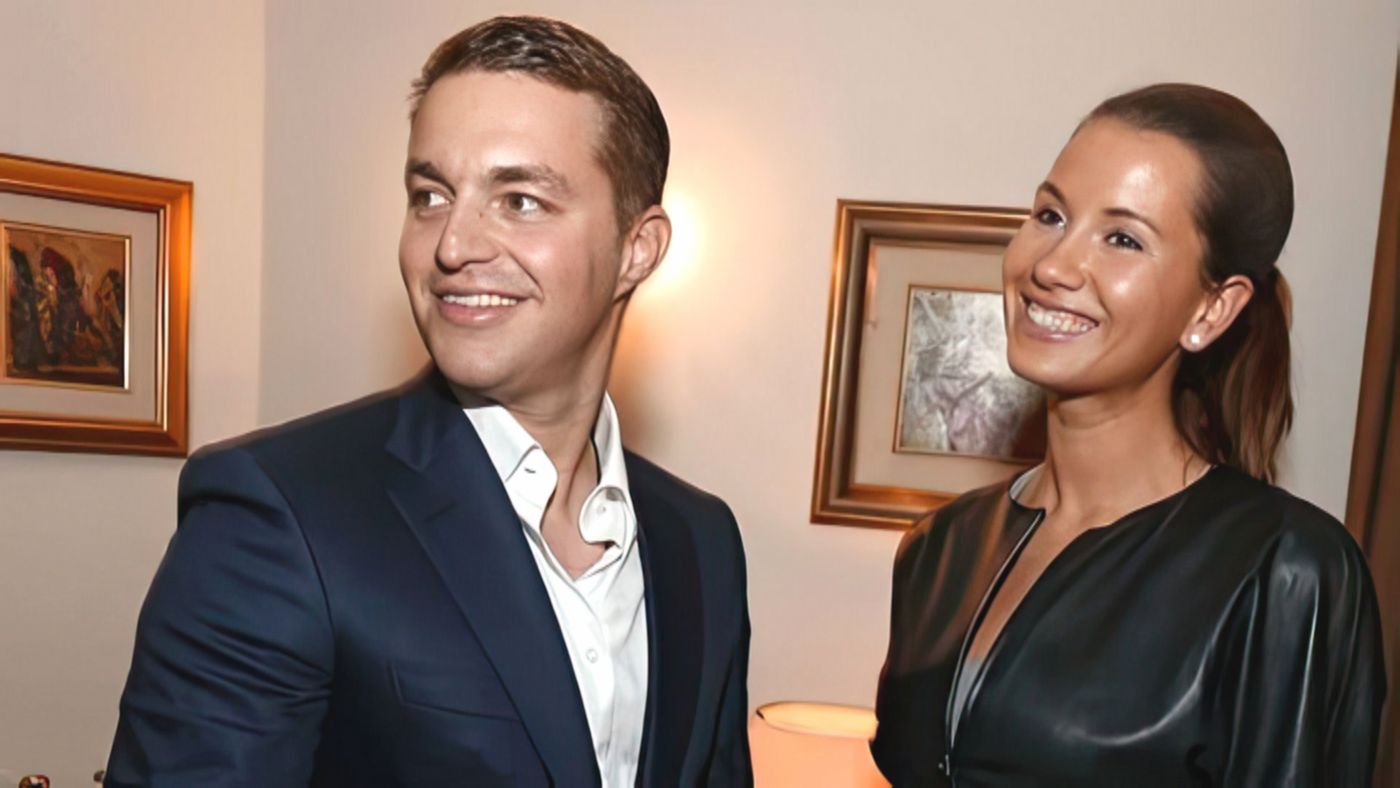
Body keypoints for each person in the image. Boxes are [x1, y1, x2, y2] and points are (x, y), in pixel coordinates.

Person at [105, 16, 751, 788]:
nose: (452, 245)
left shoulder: (700, 542)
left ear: (637, 249)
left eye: (519, 200)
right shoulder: (278, 516)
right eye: (430, 195)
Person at [871, 84, 1386, 786]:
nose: (1051, 266)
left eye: (1122, 239)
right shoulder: (938, 547)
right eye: (1051, 215)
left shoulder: (1283, 570)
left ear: (1211, 309)